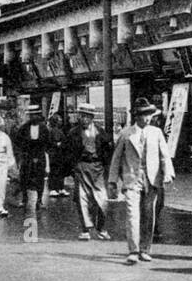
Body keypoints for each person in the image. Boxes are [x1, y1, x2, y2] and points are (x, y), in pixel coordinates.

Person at [108, 98, 174, 265]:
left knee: (148, 215)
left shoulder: (156, 132)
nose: (147, 118)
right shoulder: (125, 134)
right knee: (132, 214)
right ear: (136, 116)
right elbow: (116, 158)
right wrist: (112, 181)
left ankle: (145, 249)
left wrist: (168, 173)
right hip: (132, 179)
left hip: (151, 180)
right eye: (144, 115)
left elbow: (164, 155)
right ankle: (133, 250)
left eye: (149, 115)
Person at [63, 104, 112, 240]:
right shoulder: (73, 133)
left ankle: (101, 228)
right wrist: (73, 167)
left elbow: (107, 151)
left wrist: (106, 167)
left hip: (98, 168)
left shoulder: (100, 132)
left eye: (86, 116)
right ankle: (85, 229)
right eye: (81, 116)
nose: (83, 119)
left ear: (91, 117)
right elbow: (67, 152)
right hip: (81, 167)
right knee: (82, 198)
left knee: (102, 199)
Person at [14, 105, 54, 211]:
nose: (33, 117)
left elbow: (48, 142)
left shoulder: (43, 128)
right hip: (28, 156)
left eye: (35, 115)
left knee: (40, 178)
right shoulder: (24, 127)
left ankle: (39, 200)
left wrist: (42, 152)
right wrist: (23, 151)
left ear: (38, 115)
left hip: (40, 155)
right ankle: (24, 198)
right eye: (31, 115)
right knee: (24, 177)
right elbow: (18, 140)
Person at [46, 114, 71, 197]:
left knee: (60, 171)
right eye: (59, 120)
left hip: (59, 154)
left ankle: (60, 188)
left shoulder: (57, 130)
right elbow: (53, 142)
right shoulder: (53, 131)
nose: (61, 121)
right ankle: (53, 188)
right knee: (55, 171)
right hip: (55, 154)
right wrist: (58, 144)